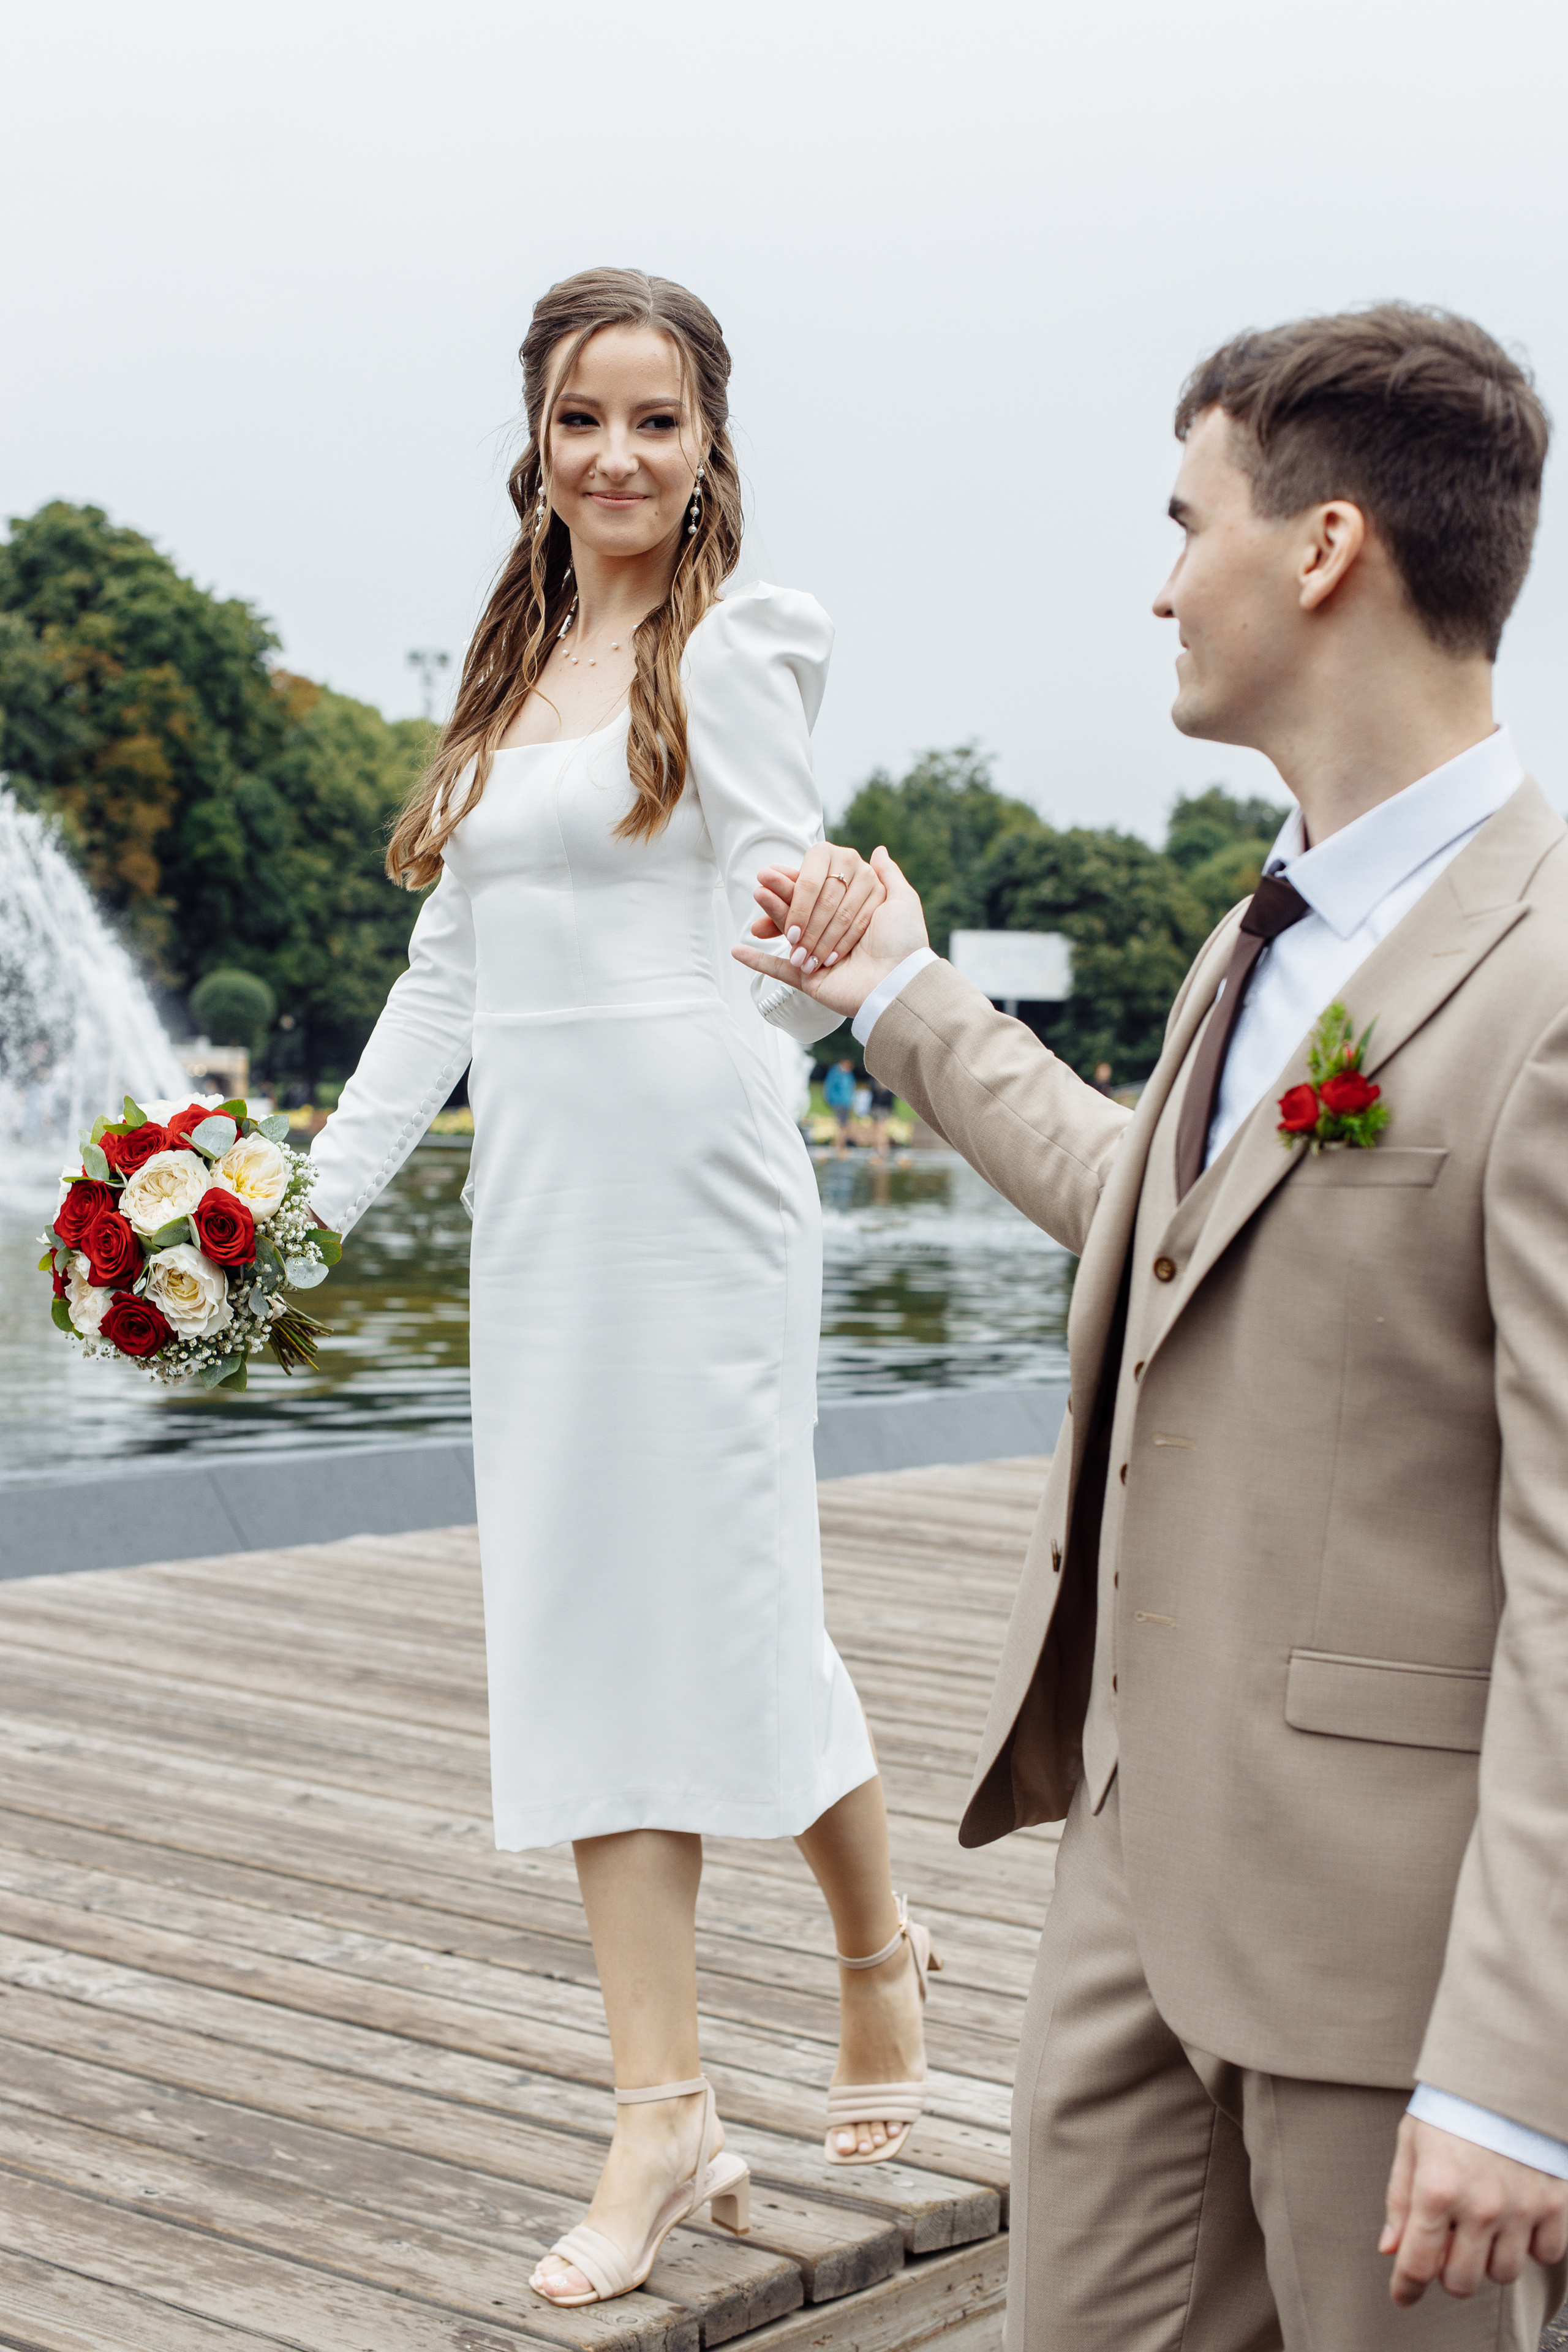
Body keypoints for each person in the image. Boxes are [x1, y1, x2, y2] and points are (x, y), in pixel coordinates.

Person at [737, 304, 1568, 2348]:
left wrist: (1516, 2063)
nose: (1155, 578)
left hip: (1397, 1983)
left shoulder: (1548, 981)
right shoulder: (1265, 923)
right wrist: (901, 999)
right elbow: (1166, 1225)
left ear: (1322, 551)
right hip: (1133, 1900)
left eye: (1184, 517)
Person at [309, 269, 938, 2310]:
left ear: (708, 442)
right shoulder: (505, 680)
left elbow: (792, 912)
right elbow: (450, 980)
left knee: (739, 1604)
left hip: (701, 1177)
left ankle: (874, 1948)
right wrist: (297, 1219)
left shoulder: (731, 650)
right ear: (537, 438)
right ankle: (661, 2110)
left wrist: (782, 1020)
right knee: (580, 1624)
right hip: (547, 1198)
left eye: (657, 420)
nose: (618, 457)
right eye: (586, 418)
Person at [823, 1056, 857, 1155]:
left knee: (845, 1125)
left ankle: (840, 1145)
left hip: (847, 1102)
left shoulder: (848, 1074)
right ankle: (838, 1147)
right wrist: (832, 1101)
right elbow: (829, 1087)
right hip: (839, 1102)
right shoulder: (836, 1073)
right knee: (842, 1125)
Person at [869, 1077, 897, 1158]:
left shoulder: (889, 1080)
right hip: (877, 1106)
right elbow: (875, 1090)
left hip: (885, 1107)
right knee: (877, 1129)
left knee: (882, 1129)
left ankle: (882, 1149)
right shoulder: (874, 1079)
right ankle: (879, 1148)